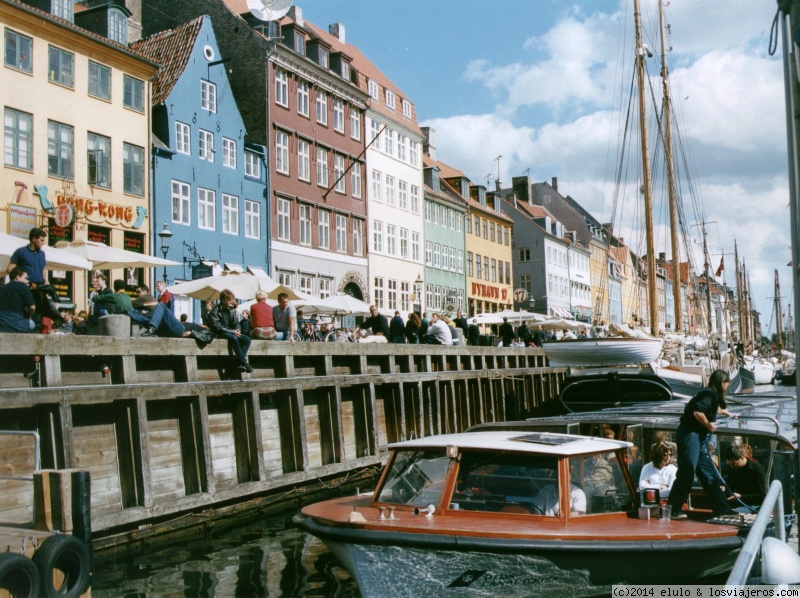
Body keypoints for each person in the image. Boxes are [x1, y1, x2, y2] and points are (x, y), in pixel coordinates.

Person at [667, 370, 739, 519]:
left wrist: (727, 413)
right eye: (727, 383)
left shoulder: (710, 395)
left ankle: (722, 509)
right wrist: (708, 425)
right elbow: (697, 412)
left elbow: (711, 408)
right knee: (687, 471)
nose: (727, 386)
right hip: (691, 435)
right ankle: (674, 508)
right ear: (721, 382)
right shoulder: (708, 394)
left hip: (698, 438)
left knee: (709, 474)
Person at [208, 289, 252, 373]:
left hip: (230, 332)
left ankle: (238, 362)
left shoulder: (231, 310)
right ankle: (244, 362)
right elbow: (217, 326)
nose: (231, 301)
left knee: (247, 339)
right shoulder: (215, 310)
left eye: (231, 299)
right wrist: (232, 331)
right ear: (223, 299)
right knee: (234, 338)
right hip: (219, 333)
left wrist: (237, 330)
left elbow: (236, 323)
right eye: (229, 300)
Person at [724, 444, 768, 509]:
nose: (732, 467)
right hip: (739, 503)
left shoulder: (757, 469)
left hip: (754, 505)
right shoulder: (733, 468)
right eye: (730, 464)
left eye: (734, 464)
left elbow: (762, 495)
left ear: (742, 457)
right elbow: (730, 486)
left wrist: (742, 497)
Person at [0, 267, 36, 332]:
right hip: (17, 324)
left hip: (2, 323)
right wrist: (29, 317)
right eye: (26, 278)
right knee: (32, 323)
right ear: (17, 277)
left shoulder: (1, 288)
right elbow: (32, 307)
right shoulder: (23, 286)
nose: (27, 281)